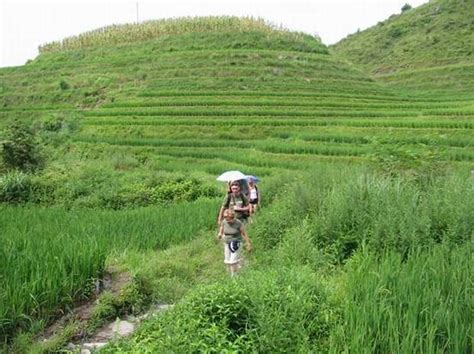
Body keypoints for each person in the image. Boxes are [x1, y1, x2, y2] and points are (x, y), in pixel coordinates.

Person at [217, 209, 252, 276]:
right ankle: (229, 275)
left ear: (233, 217)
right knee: (227, 261)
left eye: (229, 219)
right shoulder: (224, 221)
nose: (228, 221)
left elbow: (244, 234)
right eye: (226, 219)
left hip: (236, 243)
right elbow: (222, 228)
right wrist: (220, 234)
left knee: (232, 261)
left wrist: (248, 243)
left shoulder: (238, 223)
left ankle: (234, 276)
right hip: (227, 243)